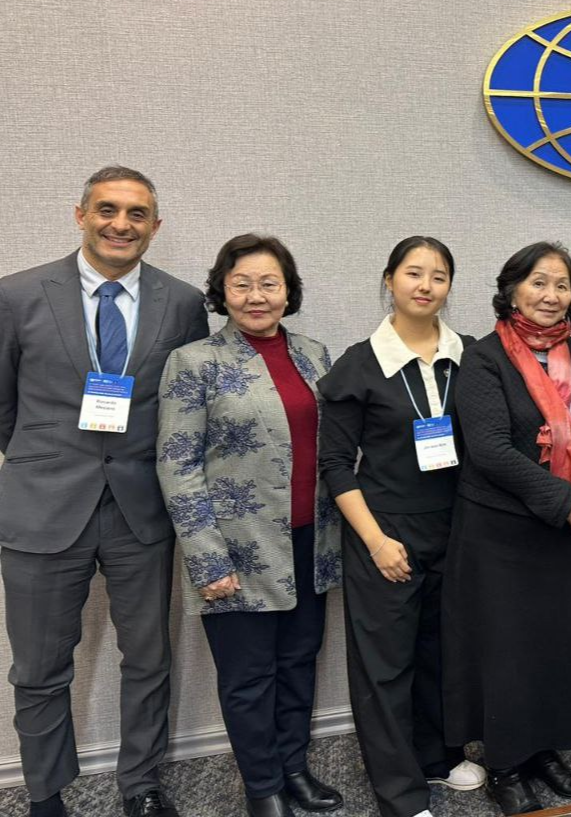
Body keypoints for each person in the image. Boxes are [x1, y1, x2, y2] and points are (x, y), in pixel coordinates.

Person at [0, 166, 208, 817]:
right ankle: (45, 795)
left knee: (147, 658)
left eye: (137, 214)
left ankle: (140, 786)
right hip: (42, 507)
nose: (121, 224)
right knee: (39, 667)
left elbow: (188, 407)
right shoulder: (17, 295)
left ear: (155, 226)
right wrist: (42, 459)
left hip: (140, 508)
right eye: (107, 210)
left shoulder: (182, 303)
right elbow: (3, 405)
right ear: (81, 215)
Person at [156, 235, 343, 817]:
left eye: (269, 283)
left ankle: (294, 768)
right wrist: (207, 558)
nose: (256, 296)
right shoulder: (195, 363)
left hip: (312, 541)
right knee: (248, 676)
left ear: (288, 291)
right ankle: (262, 787)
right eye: (242, 284)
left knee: (299, 663)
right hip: (236, 549)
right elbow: (177, 464)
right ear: (223, 291)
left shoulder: (315, 354)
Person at [318, 237, 485, 817]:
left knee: (443, 652)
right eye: (414, 273)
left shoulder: (470, 357)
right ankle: (400, 793)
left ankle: (438, 757)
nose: (425, 285)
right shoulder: (360, 364)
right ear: (389, 280)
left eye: (439, 275)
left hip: (456, 528)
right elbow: (336, 464)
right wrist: (375, 541)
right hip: (384, 532)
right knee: (385, 667)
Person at [443, 242, 571, 816]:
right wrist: (565, 500)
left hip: (567, 530)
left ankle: (543, 749)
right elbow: (488, 450)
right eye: (538, 282)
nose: (550, 295)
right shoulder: (484, 358)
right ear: (512, 289)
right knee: (507, 652)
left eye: (562, 285)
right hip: (500, 531)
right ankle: (505, 764)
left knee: (556, 646)